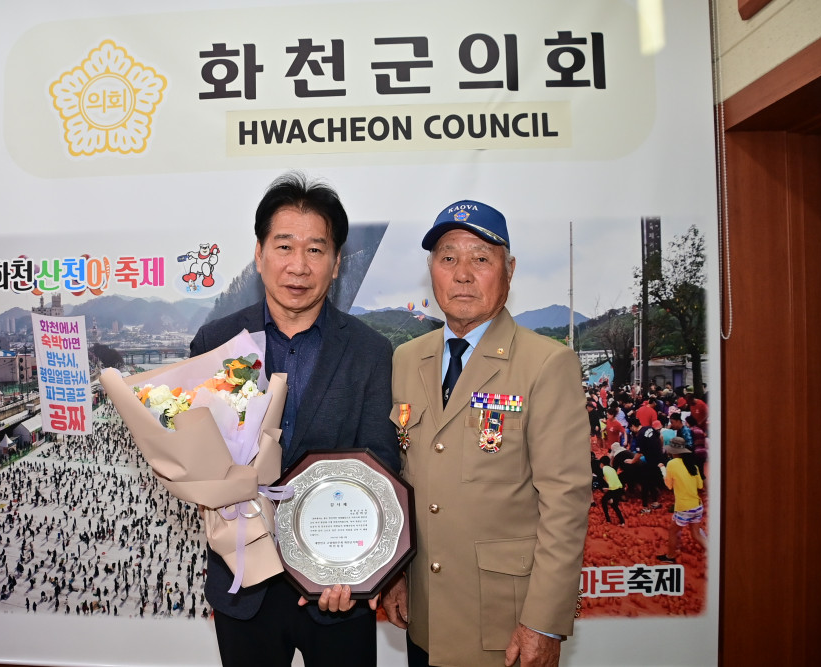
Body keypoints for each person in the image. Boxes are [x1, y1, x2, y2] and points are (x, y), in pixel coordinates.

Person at [188, 172, 399, 667]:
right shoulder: (216, 343)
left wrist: (357, 564)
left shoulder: (370, 351)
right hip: (245, 587)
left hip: (338, 590)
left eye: (315, 250)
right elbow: (197, 456)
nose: (298, 266)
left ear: (337, 262)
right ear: (259, 254)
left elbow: (382, 464)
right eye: (284, 246)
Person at [382, 200, 591, 666]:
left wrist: (543, 622)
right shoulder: (406, 359)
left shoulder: (546, 363)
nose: (462, 274)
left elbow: (566, 501)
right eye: (447, 257)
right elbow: (402, 477)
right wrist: (394, 575)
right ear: (431, 270)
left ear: (509, 270)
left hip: (505, 624)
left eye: (480, 258)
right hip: (425, 616)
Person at [656, 437, 708, 563]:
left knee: (672, 532)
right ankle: (714, 552)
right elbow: (700, 485)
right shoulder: (693, 465)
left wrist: (662, 469)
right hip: (697, 506)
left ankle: (670, 556)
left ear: (673, 451)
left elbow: (669, 486)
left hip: (684, 507)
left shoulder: (672, 464)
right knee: (696, 534)